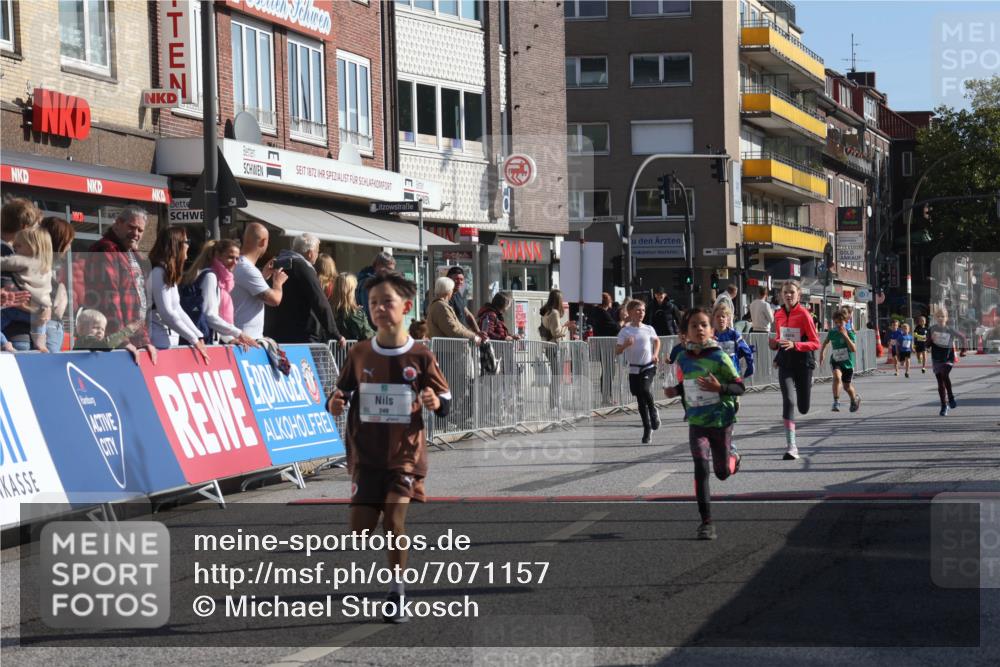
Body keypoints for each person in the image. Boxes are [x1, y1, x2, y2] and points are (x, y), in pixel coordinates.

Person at [326, 272, 451, 623]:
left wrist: (433, 401)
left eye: (387, 302)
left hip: (404, 457)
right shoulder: (360, 352)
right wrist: (333, 403)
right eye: (373, 303)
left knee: (395, 522)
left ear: (406, 307)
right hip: (366, 456)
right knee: (360, 532)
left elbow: (445, 399)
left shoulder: (421, 356)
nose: (380, 308)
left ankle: (397, 593)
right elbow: (341, 393)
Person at [664, 306, 745, 541]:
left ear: (711, 330)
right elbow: (687, 385)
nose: (699, 329)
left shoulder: (719, 357)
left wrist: (719, 388)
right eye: (693, 325)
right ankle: (706, 523)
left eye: (704, 325)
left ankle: (733, 458)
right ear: (685, 333)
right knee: (701, 467)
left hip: (721, 420)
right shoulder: (682, 358)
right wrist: (674, 391)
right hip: (697, 421)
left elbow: (739, 386)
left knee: (721, 473)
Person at [84, 206, 156, 359]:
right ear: (117, 224)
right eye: (131, 227)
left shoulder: (132, 254)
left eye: (140, 230)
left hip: (130, 341)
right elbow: (108, 298)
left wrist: (143, 340)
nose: (136, 234)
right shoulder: (106, 249)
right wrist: (121, 340)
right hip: (109, 344)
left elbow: (139, 302)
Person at [769, 279, 820, 460]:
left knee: (803, 408)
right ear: (781, 295)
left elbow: (815, 343)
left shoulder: (804, 314)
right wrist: (775, 347)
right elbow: (779, 338)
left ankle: (806, 385)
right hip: (786, 363)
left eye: (792, 292)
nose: (788, 295)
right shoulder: (778, 315)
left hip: (803, 363)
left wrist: (796, 345)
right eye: (785, 292)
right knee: (789, 401)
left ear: (799, 294)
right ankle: (792, 446)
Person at [264, 233, 345, 346]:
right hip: (301, 337)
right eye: (317, 251)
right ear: (310, 253)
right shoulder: (304, 267)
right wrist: (335, 334)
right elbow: (319, 301)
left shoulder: (275, 263)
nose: (317, 255)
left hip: (274, 334)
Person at [146, 226, 210, 363]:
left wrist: (198, 335)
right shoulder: (159, 272)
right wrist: (193, 339)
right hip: (158, 340)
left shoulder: (167, 272)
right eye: (186, 242)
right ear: (176, 245)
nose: (188, 246)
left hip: (168, 339)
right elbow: (167, 312)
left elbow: (177, 310)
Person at [179, 240, 257, 348]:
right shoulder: (210, 276)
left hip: (204, 340)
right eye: (230, 257)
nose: (234, 262)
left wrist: (229, 339)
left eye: (237, 258)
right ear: (217, 255)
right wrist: (239, 333)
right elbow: (209, 315)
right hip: (202, 342)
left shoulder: (218, 280)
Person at [615, 299, 661, 443]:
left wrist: (655, 354)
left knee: (645, 389)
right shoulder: (625, 331)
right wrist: (625, 345)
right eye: (638, 310)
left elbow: (657, 341)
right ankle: (647, 428)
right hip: (634, 369)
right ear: (630, 312)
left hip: (648, 366)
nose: (641, 313)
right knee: (640, 399)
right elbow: (617, 350)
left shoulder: (648, 328)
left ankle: (653, 412)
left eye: (643, 310)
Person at [0, 227, 53, 352]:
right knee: (41, 323)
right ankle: (40, 343)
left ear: (31, 248)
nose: (15, 249)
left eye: (18, 246)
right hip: (40, 311)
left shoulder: (22, 260)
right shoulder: (46, 267)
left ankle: (4, 343)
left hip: (16, 307)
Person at [232, 222, 287, 340]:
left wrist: (264, 275)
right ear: (263, 242)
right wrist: (278, 283)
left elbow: (248, 289)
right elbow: (274, 300)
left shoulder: (239, 264)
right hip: (246, 339)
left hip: (242, 336)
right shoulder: (247, 269)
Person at [39, 217, 74, 352]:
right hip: (48, 329)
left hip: (52, 327)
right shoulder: (40, 267)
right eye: (68, 242)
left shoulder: (50, 267)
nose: (69, 247)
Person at [819, 309, 861, 413]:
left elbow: (853, 349)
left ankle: (854, 399)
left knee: (847, 387)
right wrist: (822, 355)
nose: (838, 324)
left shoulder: (850, 333)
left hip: (847, 363)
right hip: (836, 360)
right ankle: (836, 402)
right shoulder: (832, 332)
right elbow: (825, 343)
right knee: (837, 377)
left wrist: (845, 335)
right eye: (836, 322)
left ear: (846, 321)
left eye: (840, 322)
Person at [928, 307, 966, 416]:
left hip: (948, 358)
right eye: (938, 316)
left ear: (946, 318)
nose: (941, 318)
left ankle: (951, 397)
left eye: (943, 316)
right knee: (940, 383)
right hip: (936, 359)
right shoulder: (932, 329)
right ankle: (944, 406)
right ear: (935, 318)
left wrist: (963, 351)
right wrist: (931, 339)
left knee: (945, 374)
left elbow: (962, 337)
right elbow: (926, 345)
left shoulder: (950, 330)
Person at [427, 277, 480, 343]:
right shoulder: (441, 307)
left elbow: (458, 327)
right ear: (448, 291)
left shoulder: (438, 305)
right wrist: (474, 337)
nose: (452, 292)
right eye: (452, 289)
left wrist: (474, 334)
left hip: (447, 350)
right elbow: (453, 330)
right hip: (448, 351)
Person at [712, 303, 754, 379]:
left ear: (727, 319)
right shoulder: (710, 336)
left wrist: (750, 366)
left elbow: (747, 350)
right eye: (718, 316)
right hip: (716, 376)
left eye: (723, 316)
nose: (720, 319)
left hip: (732, 373)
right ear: (714, 319)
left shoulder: (734, 335)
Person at [331, 273, 375, 341]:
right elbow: (369, 336)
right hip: (354, 350)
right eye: (355, 289)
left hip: (330, 351)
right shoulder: (356, 314)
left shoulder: (328, 310)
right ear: (350, 292)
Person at [356, 251, 396, 322]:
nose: (390, 273)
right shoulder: (370, 283)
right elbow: (369, 311)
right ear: (378, 265)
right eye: (388, 269)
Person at [446, 266, 481, 335]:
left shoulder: (458, 293)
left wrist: (478, 331)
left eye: (462, 279)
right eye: (456, 279)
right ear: (449, 279)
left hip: (462, 335)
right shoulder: (446, 296)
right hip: (454, 337)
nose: (459, 282)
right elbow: (452, 320)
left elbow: (467, 314)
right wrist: (470, 334)